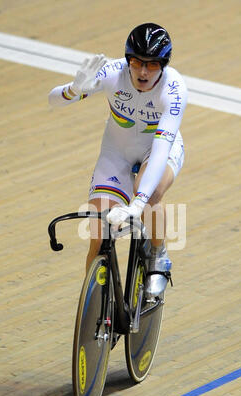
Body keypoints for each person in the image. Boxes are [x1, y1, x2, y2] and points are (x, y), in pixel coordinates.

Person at [48, 23, 188, 299]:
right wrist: (74, 89)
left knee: (150, 194)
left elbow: (160, 150)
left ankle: (158, 257)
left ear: (164, 64)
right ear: (127, 60)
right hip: (117, 152)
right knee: (98, 235)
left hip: (159, 150)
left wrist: (137, 203)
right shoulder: (111, 73)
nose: (143, 71)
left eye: (152, 64)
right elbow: (53, 101)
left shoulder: (174, 90)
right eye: (136, 62)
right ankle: (96, 310)